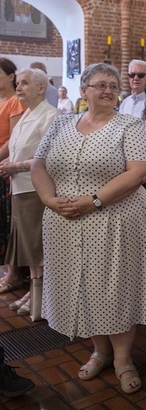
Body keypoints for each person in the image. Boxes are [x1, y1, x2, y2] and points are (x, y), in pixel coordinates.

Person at [31, 63, 146, 395]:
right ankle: (100, 350)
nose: (108, 90)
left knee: (114, 286)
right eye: (100, 84)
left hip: (114, 222)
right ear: (83, 91)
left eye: (114, 86)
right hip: (65, 222)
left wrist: (94, 201)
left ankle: (123, 359)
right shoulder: (61, 123)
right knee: (81, 286)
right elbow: (39, 164)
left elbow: (140, 171)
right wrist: (48, 199)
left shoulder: (129, 125)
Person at [0, 69, 58, 320]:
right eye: (18, 83)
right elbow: (16, 148)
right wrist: (9, 164)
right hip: (20, 186)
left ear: (41, 88)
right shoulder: (27, 114)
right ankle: (35, 291)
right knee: (28, 245)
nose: (19, 87)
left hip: (36, 188)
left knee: (37, 246)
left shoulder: (50, 116)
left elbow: (50, 158)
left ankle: (43, 296)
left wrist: (16, 165)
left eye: (24, 83)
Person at [0, 59, 27, 289]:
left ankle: (14, 273)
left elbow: (13, 140)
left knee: (9, 222)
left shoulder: (15, 103)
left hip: (5, 166)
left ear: (11, 76)